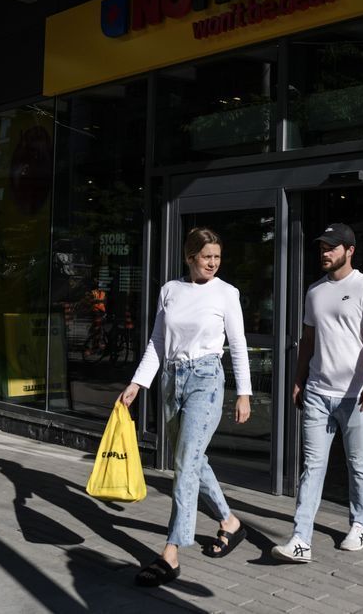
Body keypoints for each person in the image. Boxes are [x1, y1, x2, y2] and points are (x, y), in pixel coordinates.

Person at [118, 227, 252, 587]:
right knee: (192, 460)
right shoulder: (171, 290)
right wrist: (137, 382)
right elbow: (158, 342)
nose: (213, 263)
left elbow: (237, 345)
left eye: (217, 257)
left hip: (207, 380)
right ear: (190, 257)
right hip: (171, 381)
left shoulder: (226, 293)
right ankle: (230, 523)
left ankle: (171, 552)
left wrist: (244, 393)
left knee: (184, 465)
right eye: (207, 256)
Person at [272, 222, 363, 563]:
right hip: (318, 393)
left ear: (349, 251)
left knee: (358, 463)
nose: (325, 252)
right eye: (322, 246)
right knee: (312, 466)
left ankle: (360, 524)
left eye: (332, 247)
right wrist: (298, 379)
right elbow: (308, 342)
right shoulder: (314, 291)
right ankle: (300, 539)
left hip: (356, 395)